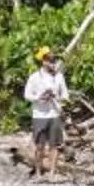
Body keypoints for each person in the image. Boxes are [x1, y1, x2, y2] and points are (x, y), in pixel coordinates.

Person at [22, 47, 69, 176]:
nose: (52, 63)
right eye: (49, 60)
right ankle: (38, 172)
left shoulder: (59, 77)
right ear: (43, 61)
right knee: (39, 145)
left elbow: (65, 95)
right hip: (39, 115)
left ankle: (52, 172)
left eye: (53, 60)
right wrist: (39, 97)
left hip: (55, 113)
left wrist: (57, 97)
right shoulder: (34, 77)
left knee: (55, 145)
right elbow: (27, 95)